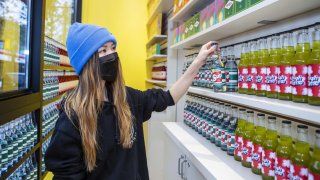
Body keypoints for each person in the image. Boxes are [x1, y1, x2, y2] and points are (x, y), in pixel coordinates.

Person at [44, 23, 216, 180]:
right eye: (103, 51)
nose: (111, 55)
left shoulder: (127, 99)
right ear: (87, 62)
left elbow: (169, 97)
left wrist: (198, 62)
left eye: (112, 48)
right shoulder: (72, 116)